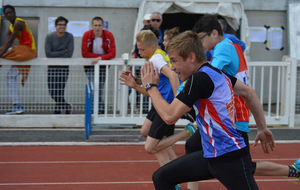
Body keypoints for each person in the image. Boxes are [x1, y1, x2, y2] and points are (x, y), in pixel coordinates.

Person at [141, 30, 275, 190]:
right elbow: (248, 92)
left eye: (175, 61)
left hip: (230, 157)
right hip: (211, 156)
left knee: (162, 177)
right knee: (162, 177)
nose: (173, 67)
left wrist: (151, 87)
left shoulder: (199, 80)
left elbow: (169, 116)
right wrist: (262, 128)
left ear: (191, 57)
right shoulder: (216, 73)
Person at [183, 14, 300, 190]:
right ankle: (294, 170)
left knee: (241, 168)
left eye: (200, 38)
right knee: (197, 148)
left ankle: (294, 170)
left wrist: (181, 94)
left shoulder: (222, 48)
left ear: (214, 33)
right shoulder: (234, 46)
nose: (199, 43)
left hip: (231, 117)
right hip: (235, 116)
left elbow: (209, 74)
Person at [119, 30, 196, 190]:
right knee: (147, 132)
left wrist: (177, 100)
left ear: (153, 46)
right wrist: (135, 83)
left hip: (165, 106)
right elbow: (151, 89)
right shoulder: (157, 56)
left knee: (152, 146)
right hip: (158, 102)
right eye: (138, 49)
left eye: (142, 50)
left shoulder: (155, 58)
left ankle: (173, 181)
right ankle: (178, 173)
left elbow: (173, 77)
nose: (139, 53)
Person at [0, 5, 37, 114]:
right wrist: (1, 53)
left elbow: (10, 42)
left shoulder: (18, 23)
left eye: (11, 12)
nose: (9, 14)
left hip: (28, 51)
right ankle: (17, 105)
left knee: (4, 50)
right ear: (5, 16)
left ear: (15, 12)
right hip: (22, 52)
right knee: (10, 76)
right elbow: (5, 43)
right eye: (7, 13)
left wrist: (1, 55)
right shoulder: (10, 28)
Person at [81, 16, 116, 114]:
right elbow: (85, 54)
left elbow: (112, 53)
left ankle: (98, 108)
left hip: (103, 66)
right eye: (95, 25)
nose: (97, 28)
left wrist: (100, 58)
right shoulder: (86, 35)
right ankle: (96, 108)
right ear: (92, 26)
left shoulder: (109, 35)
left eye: (99, 25)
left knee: (100, 87)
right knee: (94, 86)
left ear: (103, 26)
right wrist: (102, 56)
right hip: (90, 66)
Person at [45, 16, 74, 114]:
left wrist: (56, 52)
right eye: (60, 25)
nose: (62, 27)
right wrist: (62, 51)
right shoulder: (49, 37)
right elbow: (48, 54)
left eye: (64, 25)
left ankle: (57, 109)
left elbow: (69, 54)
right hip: (52, 68)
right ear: (55, 26)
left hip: (64, 68)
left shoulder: (69, 37)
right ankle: (66, 105)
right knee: (52, 92)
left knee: (60, 90)